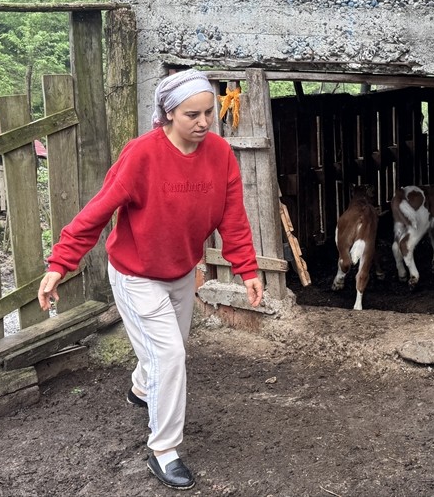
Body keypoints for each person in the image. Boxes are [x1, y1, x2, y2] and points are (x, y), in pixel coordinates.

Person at [37, 68, 264, 491]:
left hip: (180, 270)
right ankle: (164, 452)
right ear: (167, 114)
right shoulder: (142, 154)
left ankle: (141, 389)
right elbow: (98, 210)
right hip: (136, 273)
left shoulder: (219, 154)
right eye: (191, 114)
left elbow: (233, 217)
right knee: (170, 357)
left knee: (166, 355)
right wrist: (59, 264)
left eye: (208, 112)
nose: (202, 122)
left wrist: (246, 269)